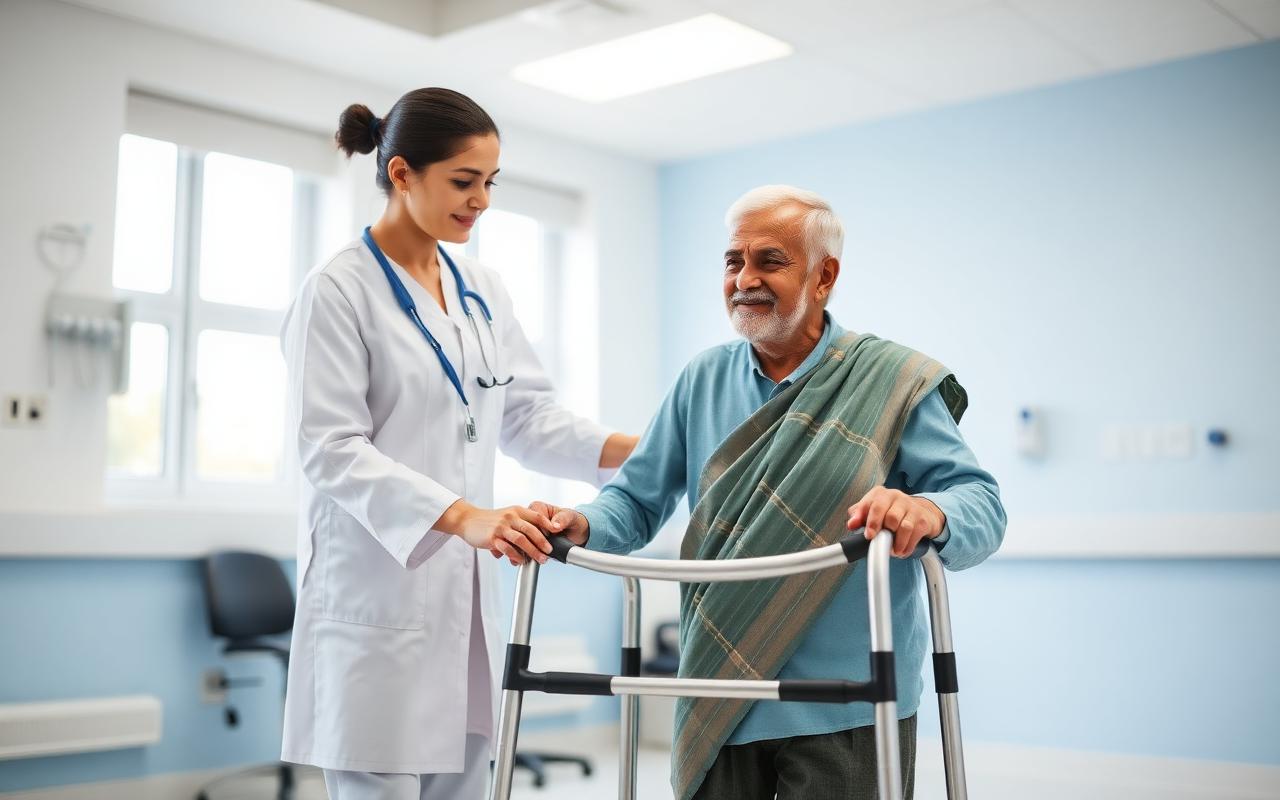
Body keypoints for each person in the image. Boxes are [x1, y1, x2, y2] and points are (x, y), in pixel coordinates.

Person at [533, 185, 1006, 800]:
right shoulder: (703, 377)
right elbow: (636, 498)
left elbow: (981, 503)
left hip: (847, 701)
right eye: (733, 262)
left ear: (824, 275)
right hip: (721, 683)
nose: (744, 280)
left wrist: (927, 509)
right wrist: (580, 522)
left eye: (769, 262)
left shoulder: (891, 381)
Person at [278, 87, 637, 800]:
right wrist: (467, 517)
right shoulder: (337, 291)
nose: (481, 202)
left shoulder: (480, 289)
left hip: (463, 603)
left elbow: (527, 418)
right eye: (464, 183)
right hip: (375, 595)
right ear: (403, 173)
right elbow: (330, 448)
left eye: (489, 184)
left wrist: (651, 449)